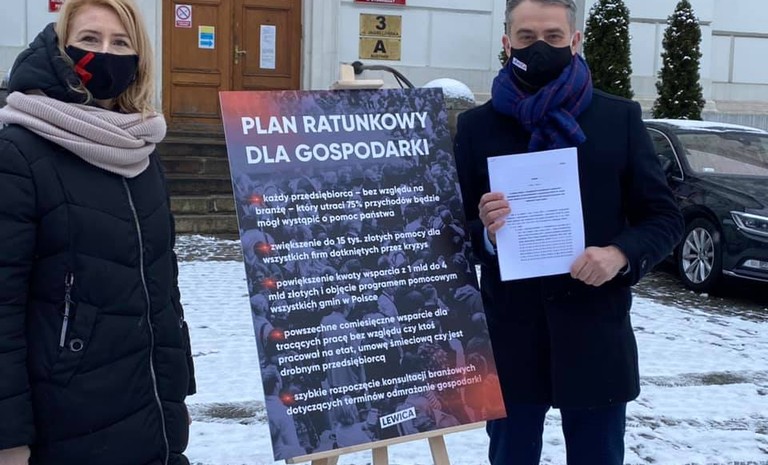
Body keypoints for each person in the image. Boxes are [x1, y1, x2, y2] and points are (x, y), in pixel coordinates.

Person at [453, 1, 684, 464]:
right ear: (507, 43)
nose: (539, 47)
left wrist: (620, 254)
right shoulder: (477, 127)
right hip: (512, 337)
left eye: (553, 37)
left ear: (575, 41)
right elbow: (453, 230)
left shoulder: (617, 119)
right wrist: (488, 236)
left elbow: (664, 217)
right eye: (526, 37)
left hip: (596, 332)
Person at [0, 1, 195, 464]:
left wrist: (177, 392)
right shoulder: (18, 153)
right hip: (66, 425)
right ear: (60, 48)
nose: (105, 53)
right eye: (89, 39)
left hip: (150, 416)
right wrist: (8, 439)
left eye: (121, 42)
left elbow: (163, 288)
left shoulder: (142, 152)